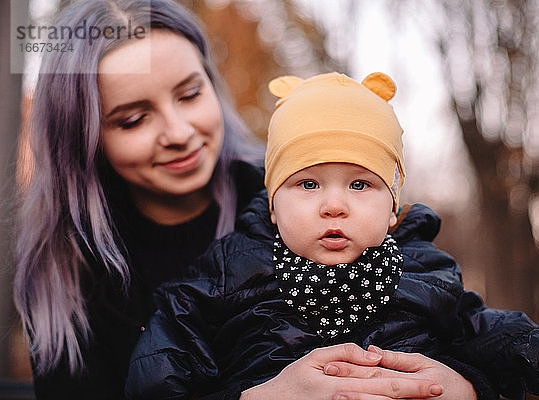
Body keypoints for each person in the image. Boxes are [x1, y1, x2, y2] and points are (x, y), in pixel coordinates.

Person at [13, 1, 494, 399]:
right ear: (83, 138)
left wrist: (469, 386)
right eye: (133, 119)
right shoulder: (68, 274)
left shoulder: (303, 203)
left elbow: (458, 329)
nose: (179, 133)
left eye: (189, 93)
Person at [125, 72, 539, 400]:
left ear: (393, 209)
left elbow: (475, 325)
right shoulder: (227, 272)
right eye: (307, 183)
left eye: (360, 184)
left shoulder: (424, 270)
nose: (333, 204)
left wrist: (521, 355)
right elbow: (159, 372)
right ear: (274, 206)